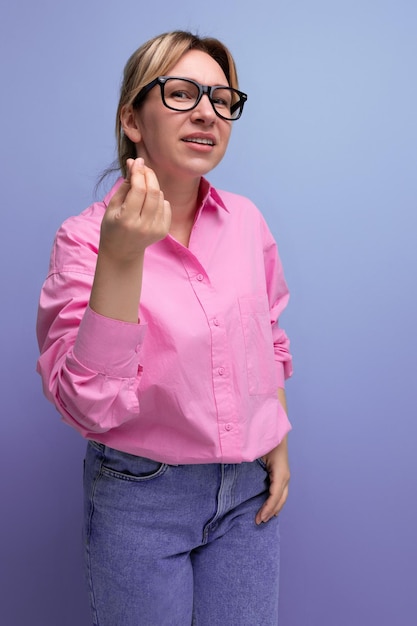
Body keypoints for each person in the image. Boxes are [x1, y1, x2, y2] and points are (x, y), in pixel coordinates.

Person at [36, 30, 293, 626]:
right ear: (132, 118)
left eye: (223, 99)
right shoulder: (83, 239)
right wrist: (121, 259)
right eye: (181, 93)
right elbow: (88, 408)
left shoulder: (248, 221)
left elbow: (268, 336)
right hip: (140, 499)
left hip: (248, 495)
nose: (208, 111)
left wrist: (277, 435)